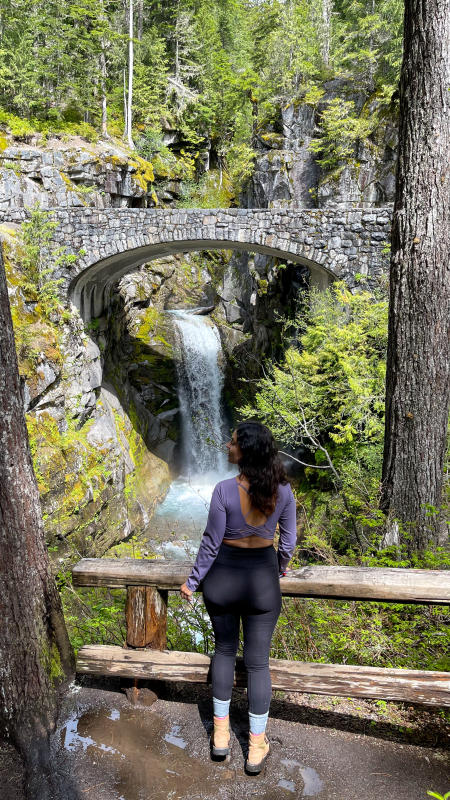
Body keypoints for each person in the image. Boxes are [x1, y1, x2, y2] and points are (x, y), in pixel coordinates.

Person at [180, 421, 297, 774]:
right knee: (258, 663)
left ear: (245, 450)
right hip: (261, 581)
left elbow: (211, 543)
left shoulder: (222, 490)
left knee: (225, 651)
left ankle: (219, 737)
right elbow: (288, 542)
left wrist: (192, 582)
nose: (227, 446)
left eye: (232, 442)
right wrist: (278, 567)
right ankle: (256, 746)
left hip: (222, 582)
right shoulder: (283, 492)